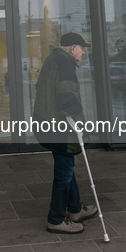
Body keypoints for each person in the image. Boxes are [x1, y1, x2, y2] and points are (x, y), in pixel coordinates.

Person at [32, 32, 98, 234]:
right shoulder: (65, 64)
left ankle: (76, 209)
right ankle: (56, 219)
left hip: (46, 123)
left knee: (66, 166)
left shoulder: (53, 59)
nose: (83, 53)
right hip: (60, 128)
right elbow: (66, 99)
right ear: (72, 48)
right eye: (82, 48)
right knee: (64, 174)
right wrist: (82, 124)